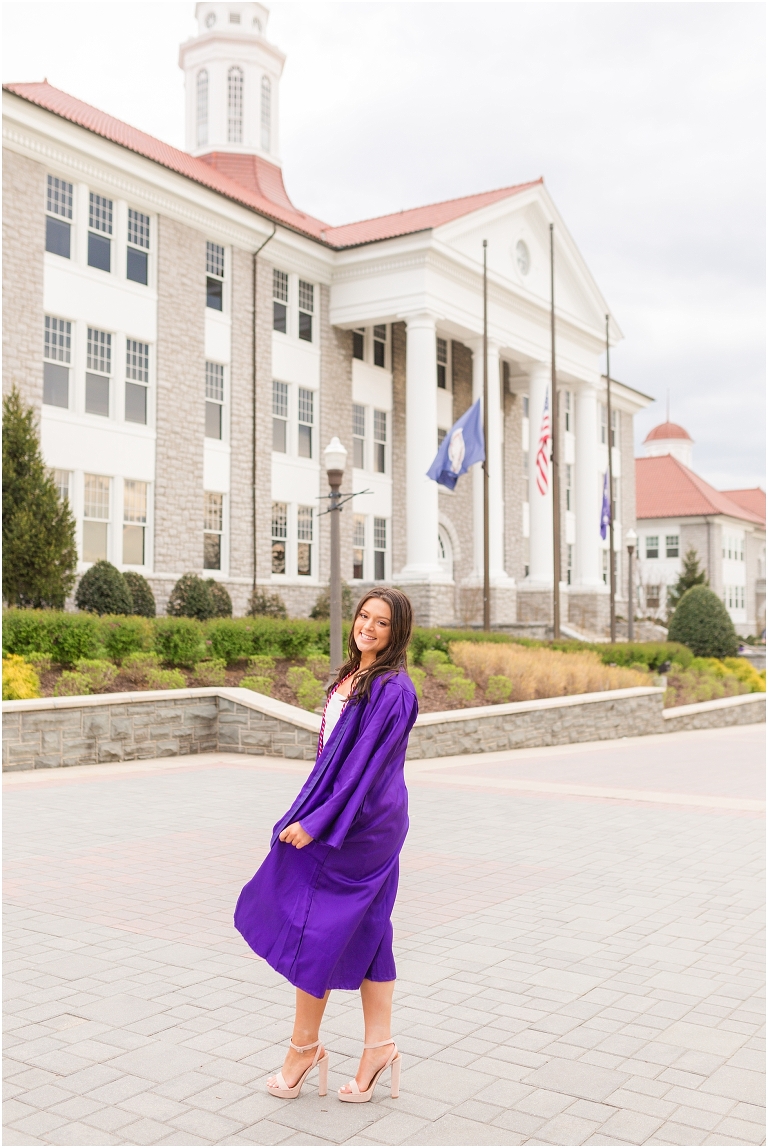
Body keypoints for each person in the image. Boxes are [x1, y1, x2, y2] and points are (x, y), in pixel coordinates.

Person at [234, 587, 419, 1103]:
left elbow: (365, 767)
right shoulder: (353, 676)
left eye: (382, 622)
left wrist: (316, 823)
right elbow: (330, 757)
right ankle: (378, 1047)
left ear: (397, 631)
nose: (369, 627)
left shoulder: (393, 690)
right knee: (371, 927)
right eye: (365, 617)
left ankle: (303, 1047)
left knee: (312, 926)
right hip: (352, 815)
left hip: (363, 826)